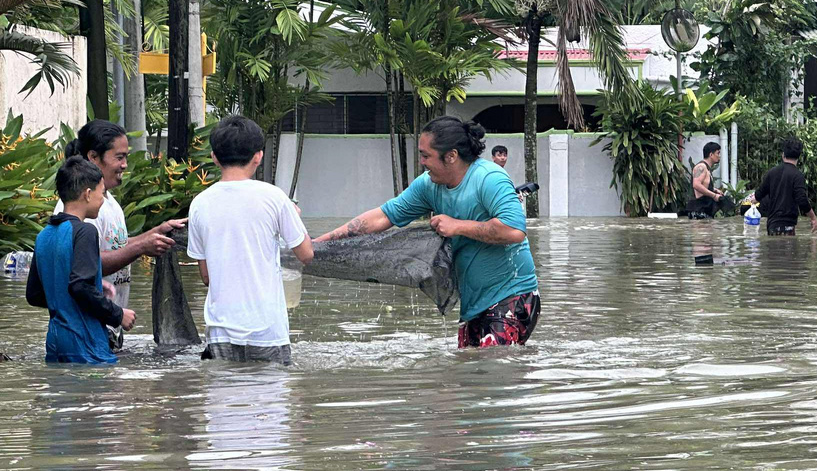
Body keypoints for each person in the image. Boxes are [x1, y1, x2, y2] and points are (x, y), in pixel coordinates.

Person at [315, 116, 540, 348]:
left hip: (514, 295)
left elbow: (514, 230)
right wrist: (315, 247)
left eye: (426, 155)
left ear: (451, 156)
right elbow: (382, 216)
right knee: (470, 376)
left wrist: (457, 226)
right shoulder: (429, 185)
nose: (422, 161)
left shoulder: (489, 178)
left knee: (492, 369)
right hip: (474, 304)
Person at [187, 116, 313, 365]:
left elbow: (206, 277)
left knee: (224, 399)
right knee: (269, 399)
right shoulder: (275, 198)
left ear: (214, 157)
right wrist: (293, 217)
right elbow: (306, 253)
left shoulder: (199, 204)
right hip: (267, 332)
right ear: (258, 156)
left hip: (221, 333)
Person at [59, 120, 185, 350]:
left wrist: (155, 234)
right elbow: (84, 266)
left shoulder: (108, 201)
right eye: (119, 157)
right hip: (89, 331)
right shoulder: (82, 208)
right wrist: (140, 248)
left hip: (107, 329)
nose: (125, 165)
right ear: (94, 158)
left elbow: (114, 245)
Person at [26, 157, 137, 364]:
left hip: (55, 341)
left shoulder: (44, 235)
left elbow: (34, 295)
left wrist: (91, 289)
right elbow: (80, 287)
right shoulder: (85, 231)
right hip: (85, 340)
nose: (103, 199)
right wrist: (117, 314)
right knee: (97, 392)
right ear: (87, 194)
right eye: (101, 192)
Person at [754, 136, 817, 235]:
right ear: (798, 156)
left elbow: (759, 195)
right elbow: (802, 200)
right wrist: (813, 218)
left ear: (783, 155)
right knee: (788, 248)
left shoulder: (772, 173)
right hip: (788, 225)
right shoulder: (797, 175)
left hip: (772, 225)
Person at [686, 142, 728, 219]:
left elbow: (703, 185)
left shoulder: (706, 168)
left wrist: (714, 190)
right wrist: (714, 195)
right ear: (711, 155)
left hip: (704, 209)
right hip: (698, 210)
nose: (719, 156)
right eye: (718, 153)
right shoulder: (701, 167)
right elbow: (696, 185)